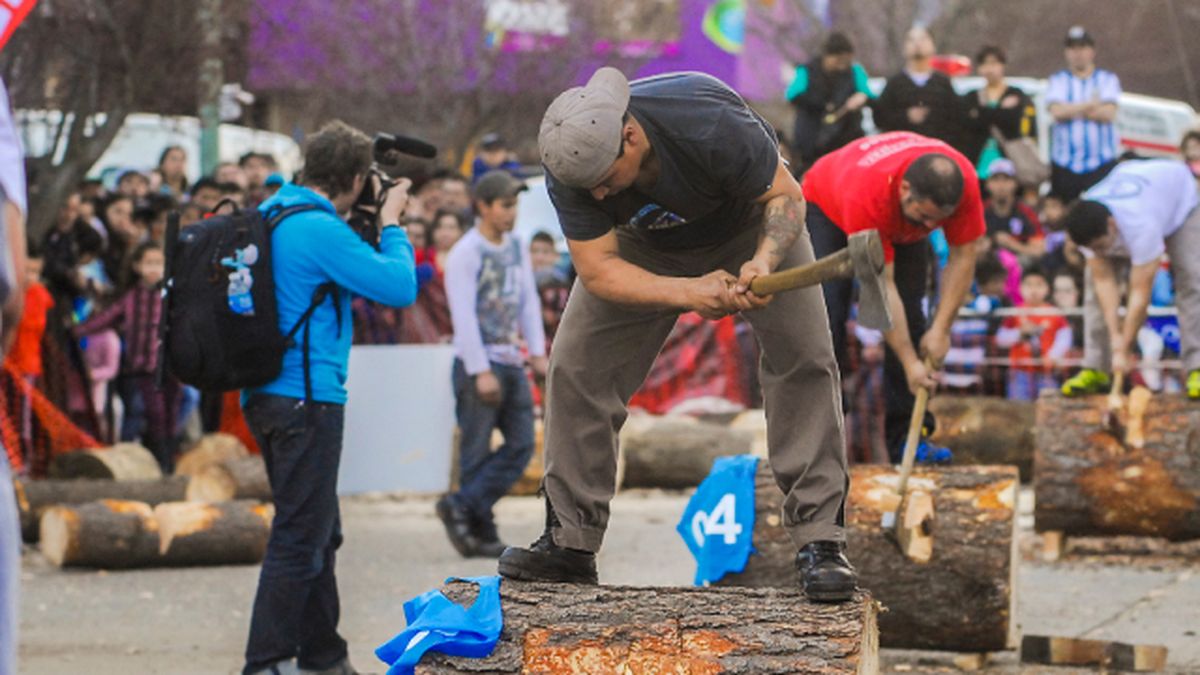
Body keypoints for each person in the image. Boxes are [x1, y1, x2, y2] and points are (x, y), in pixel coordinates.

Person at [499, 68, 856, 602]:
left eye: (606, 179)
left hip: (750, 224)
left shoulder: (708, 120)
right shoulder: (571, 163)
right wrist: (690, 293)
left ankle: (820, 540)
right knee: (576, 368)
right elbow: (598, 271)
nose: (597, 192)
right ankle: (569, 542)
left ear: (631, 136)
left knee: (804, 359)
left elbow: (785, 198)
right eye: (588, 186)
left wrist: (762, 261)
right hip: (641, 245)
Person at [239, 120, 417, 675]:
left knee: (319, 529)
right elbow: (398, 286)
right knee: (299, 536)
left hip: (266, 394)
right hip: (306, 400)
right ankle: (265, 662)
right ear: (356, 178)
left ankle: (324, 656)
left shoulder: (275, 211)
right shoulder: (316, 228)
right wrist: (391, 223)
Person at [803, 131, 984, 462]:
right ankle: (819, 440)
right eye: (925, 218)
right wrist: (910, 363)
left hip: (892, 215)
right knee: (826, 319)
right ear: (905, 190)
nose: (930, 227)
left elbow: (964, 256)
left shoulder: (965, 182)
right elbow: (880, 291)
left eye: (938, 221)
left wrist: (941, 329)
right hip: (827, 206)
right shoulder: (867, 197)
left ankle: (909, 441)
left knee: (916, 319)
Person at [438, 171, 547, 558]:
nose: (510, 213)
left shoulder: (517, 245)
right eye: (504, 205)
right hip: (479, 362)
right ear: (482, 206)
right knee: (476, 449)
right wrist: (479, 368)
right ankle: (478, 528)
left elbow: (527, 301)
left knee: (520, 445)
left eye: (514, 205)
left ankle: (461, 505)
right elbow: (463, 314)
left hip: (511, 356)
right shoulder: (466, 252)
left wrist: (536, 351)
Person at [1060, 158, 1200, 399]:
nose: (1102, 254)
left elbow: (1139, 295)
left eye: (1102, 247)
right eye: (1096, 251)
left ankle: (1197, 366)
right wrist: (1115, 341)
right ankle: (1096, 367)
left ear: (1112, 225)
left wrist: (1125, 348)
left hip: (1179, 201)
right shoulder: (1085, 220)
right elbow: (1105, 283)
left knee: (1191, 279)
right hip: (1136, 191)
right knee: (1093, 288)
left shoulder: (1141, 225)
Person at [73, 242, 179, 469]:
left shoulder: (173, 295)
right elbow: (107, 318)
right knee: (154, 413)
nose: (154, 269)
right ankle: (160, 463)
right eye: (149, 263)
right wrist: (76, 331)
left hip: (171, 365)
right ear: (137, 266)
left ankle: (170, 460)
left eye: (158, 263)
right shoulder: (131, 297)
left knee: (171, 412)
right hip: (143, 367)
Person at [1046, 26, 1121, 202]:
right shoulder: (1058, 80)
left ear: (1092, 51)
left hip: (1100, 162)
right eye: (1073, 48)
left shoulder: (1107, 79)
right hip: (1065, 164)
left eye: (1082, 48)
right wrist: (1090, 105)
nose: (1078, 53)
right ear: (1066, 52)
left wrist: (1071, 109)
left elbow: (1108, 113)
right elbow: (1057, 112)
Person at [785, 31, 873, 170]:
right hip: (811, 140)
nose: (842, 65)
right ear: (827, 56)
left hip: (846, 139)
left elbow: (868, 94)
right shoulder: (806, 71)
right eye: (838, 60)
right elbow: (792, 95)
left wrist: (861, 98)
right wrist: (823, 105)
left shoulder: (855, 71)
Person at [872, 26, 964, 152]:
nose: (917, 44)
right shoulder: (894, 83)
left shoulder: (943, 83)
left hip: (937, 153)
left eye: (923, 39)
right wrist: (906, 116)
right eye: (912, 40)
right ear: (904, 48)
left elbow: (956, 120)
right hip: (903, 152)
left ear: (933, 45)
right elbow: (880, 119)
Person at [962, 46, 1038, 178]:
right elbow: (970, 124)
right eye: (984, 64)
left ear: (1003, 65)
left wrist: (982, 113)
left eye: (993, 63)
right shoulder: (971, 97)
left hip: (1011, 165)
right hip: (979, 164)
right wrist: (1000, 111)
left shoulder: (1016, 94)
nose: (989, 69)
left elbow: (1015, 122)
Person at [995, 268, 1071, 400]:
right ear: (1020, 288)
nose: (1034, 290)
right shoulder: (1015, 313)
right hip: (1020, 371)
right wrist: (1019, 333)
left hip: (1046, 372)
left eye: (1039, 285)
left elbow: (1065, 338)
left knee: (1048, 408)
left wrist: (1053, 356)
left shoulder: (1054, 313)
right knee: (1019, 409)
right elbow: (1001, 338)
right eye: (1029, 285)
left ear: (1048, 288)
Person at [983, 158, 1045, 261]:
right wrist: (991, 242)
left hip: (1020, 267)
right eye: (995, 179)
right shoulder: (980, 211)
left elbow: (1039, 250)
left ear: (1015, 183)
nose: (1001, 185)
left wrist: (1011, 244)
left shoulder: (1026, 212)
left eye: (1006, 179)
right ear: (987, 184)